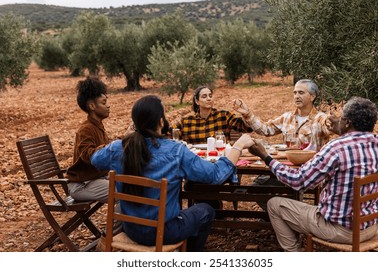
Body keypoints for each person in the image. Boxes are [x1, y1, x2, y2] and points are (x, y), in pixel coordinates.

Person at [91, 95, 255, 252]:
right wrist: (238, 146)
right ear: (161, 121)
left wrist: (123, 140)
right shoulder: (176, 151)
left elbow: (95, 160)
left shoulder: (118, 148)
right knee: (207, 210)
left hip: (131, 228)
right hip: (165, 232)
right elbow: (215, 176)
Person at [248, 96, 378, 252]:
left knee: (274, 204)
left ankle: (294, 255)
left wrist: (265, 157)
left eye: (342, 119)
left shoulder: (336, 147)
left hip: (339, 230)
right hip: (370, 227)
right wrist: (342, 132)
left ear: (348, 122)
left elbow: (299, 181)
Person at [233, 79, 339, 151]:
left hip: (310, 172)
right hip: (288, 169)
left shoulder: (320, 119)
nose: (296, 96)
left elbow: (333, 128)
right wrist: (247, 113)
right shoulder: (287, 117)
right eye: (295, 93)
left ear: (312, 97)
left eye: (301, 93)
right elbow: (265, 129)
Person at [66, 77, 110, 203]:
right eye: (103, 102)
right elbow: (88, 155)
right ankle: (120, 223)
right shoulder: (85, 129)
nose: (108, 105)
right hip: (81, 185)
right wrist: (112, 147)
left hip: (96, 180)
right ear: (92, 106)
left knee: (132, 185)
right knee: (124, 193)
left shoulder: (97, 126)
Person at [173, 85, 252, 144]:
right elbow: (169, 135)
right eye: (204, 96)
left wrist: (246, 114)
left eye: (210, 96)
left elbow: (246, 128)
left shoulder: (224, 116)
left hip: (219, 160)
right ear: (197, 101)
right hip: (194, 161)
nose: (209, 98)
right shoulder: (186, 121)